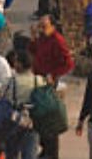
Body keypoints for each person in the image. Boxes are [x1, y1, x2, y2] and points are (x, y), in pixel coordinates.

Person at [30, 16, 73, 159]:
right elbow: (33, 51)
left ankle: (51, 152)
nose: (42, 29)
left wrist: (53, 75)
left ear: (53, 26)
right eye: (40, 26)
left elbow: (68, 63)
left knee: (48, 116)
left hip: (48, 84)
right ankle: (45, 149)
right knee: (39, 116)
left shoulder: (57, 40)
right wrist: (33, 37)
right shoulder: (42, 38)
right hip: (37, 81)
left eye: (44, 26)